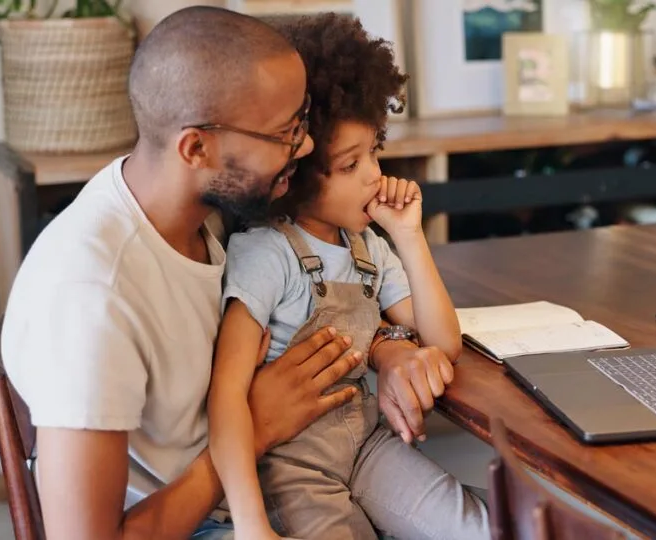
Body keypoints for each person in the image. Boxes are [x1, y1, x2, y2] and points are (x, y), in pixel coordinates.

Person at [0, 7, 435, 539]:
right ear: (196, 148)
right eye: (284, 133)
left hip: (269, 482)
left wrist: (388, 343)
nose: (304, 146)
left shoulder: (201, 208)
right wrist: (255, 428)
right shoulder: (93, 298)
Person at [205, 13, 490, 540]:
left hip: (366, 447)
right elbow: (225, 396)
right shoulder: (264, 254)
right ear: (295, 175)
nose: (375, 176)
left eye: (375, 152)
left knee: (481, 526)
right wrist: (250, 524)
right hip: (292, 470)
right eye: (350, 165)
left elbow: (443, 342)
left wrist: (409, 235)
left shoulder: (368, 248)